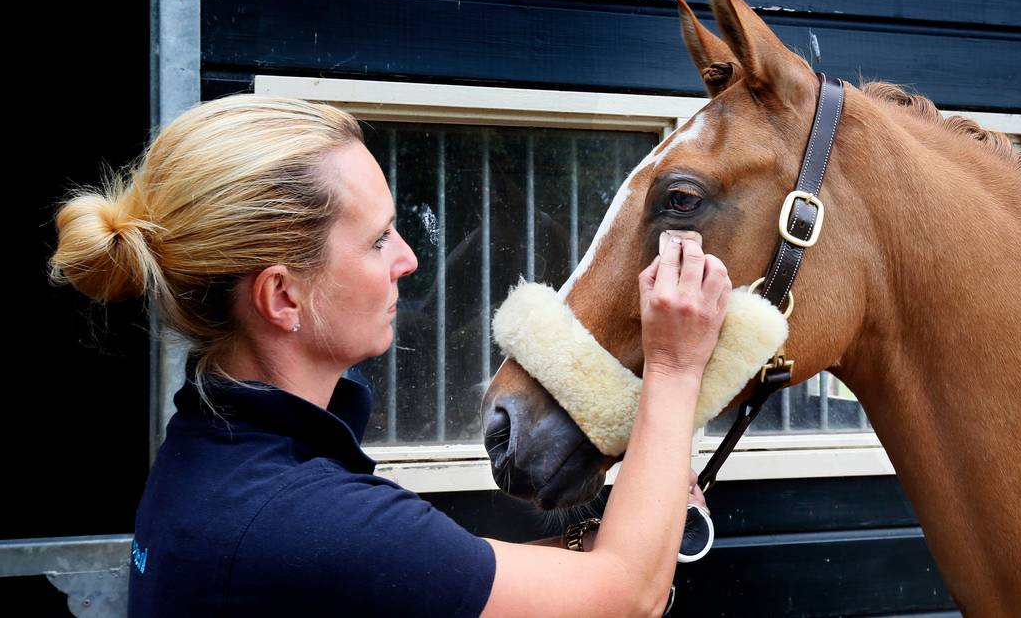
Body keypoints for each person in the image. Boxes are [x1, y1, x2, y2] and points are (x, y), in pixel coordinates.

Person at [48, 94, 730, 616]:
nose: (408, 259)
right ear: (282, 296)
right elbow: (625, 597)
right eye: (378, 241)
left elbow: (422, 575)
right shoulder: (304, 518)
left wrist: (619, 527)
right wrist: (674, 367)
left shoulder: (210, 457)